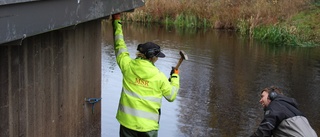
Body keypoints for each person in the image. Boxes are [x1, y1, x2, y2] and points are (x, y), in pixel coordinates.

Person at [111, 13, 180, 137]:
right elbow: (171, 95)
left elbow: (119, 45)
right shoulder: (159, 77)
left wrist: (117, 21)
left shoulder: (128, 66)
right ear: (153, 58)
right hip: (148, 128)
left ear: (140, 53)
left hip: (127, 125)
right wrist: (174, 77)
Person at [251, 86, 318, 137]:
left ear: (272, 95)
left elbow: (264, 129)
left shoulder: (275, 105)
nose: (260, 100)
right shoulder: (293, 109)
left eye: (262, 96)